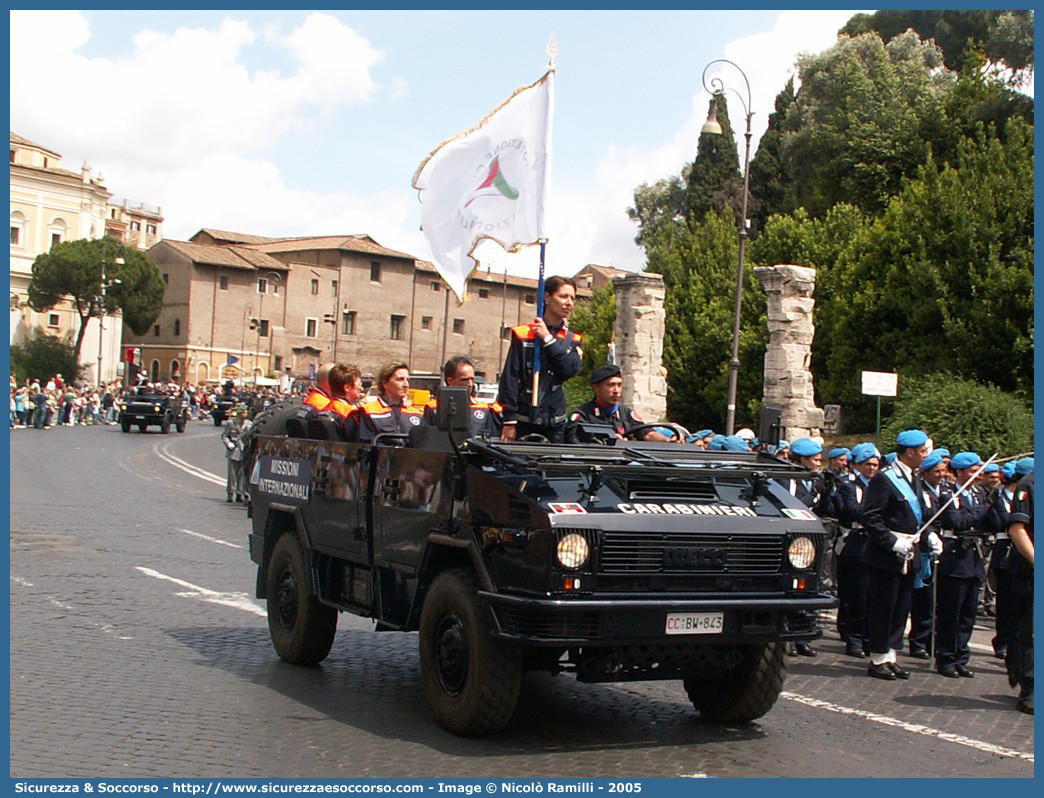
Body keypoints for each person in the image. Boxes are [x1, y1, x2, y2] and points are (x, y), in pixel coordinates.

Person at [861, 429, 944, 680]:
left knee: (901, 607)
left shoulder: (914, 478)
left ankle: (891, 655)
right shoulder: (884, 479)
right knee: (883, 607)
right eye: (922, 452)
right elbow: (871, 517)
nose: (925, 456)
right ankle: (877, 657)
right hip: (886, 554)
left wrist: (928, 535)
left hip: (911, 551)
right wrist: (892, 542)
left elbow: (918, 516)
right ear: (909, 452)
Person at [497, 275, 583, 443]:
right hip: (524, 419)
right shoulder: (523, 334)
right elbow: (510, 378)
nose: (569, 302)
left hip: (554, 422)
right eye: (563, 296)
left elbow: (568, 370)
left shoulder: (573, 339)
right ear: (547, 297)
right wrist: (509, 420)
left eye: (572, 298)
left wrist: (547, 339)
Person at [934, 451, 992, 678]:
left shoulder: (978, 493)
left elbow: (993, 523)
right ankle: (946, 657)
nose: (978, 475)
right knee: (951, 613)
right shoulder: (949, 493)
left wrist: (991, 505)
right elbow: (957, 522)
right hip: (956, 559)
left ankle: (961, 656)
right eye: (972, 471)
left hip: (974, 559)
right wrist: (983, 510)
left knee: (968, 614)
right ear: (959, 472)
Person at [835, 442, 880, 658]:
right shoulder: (849, 485)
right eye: (867, 464)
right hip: (858, 542)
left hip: (877, 543)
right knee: (858, 596)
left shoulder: (881, 485)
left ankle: (869, 638)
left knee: (875, 596)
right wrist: (876, 512)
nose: (872, 468)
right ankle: (854, 639)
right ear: (858, 465)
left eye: (875, 464)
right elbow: (852, 510)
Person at [566, 364, 671, 443]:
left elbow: (647, 434)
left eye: (619, 385)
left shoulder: (627, 415)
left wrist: (668, 441)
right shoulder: (582, 416)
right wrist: (607, 442)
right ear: (596, 387)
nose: (616, 390)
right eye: (611, 385)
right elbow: (573, 444)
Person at [1005, 458, 1033, 715]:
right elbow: (1017, 529)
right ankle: (1030, 691)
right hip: (1030, 571)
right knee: (1030, 633)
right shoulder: (1029, 484)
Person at [343, 362, 428, 444]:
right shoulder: (368, 411)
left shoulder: (417, 414)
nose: (406, 384)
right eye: (400, 379)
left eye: (407, 380)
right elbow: (367, 447)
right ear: (385, 383)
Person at [423, 355, 502, 439]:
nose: (470, 384)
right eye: (465, 380)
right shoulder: (433, 408)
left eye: (472, 379)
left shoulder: (484, 409)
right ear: (450, 381)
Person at [222, 404, 252, 503]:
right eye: (244, 413)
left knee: (242, 474)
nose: (245, 414)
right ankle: (230, 493)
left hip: (243, 451)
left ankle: (240, 493)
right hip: (233, 450)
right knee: (232, 475)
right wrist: (228, 443)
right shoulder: (231, 423)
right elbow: (225, 435)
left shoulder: (249, 424)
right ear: (239, 414)